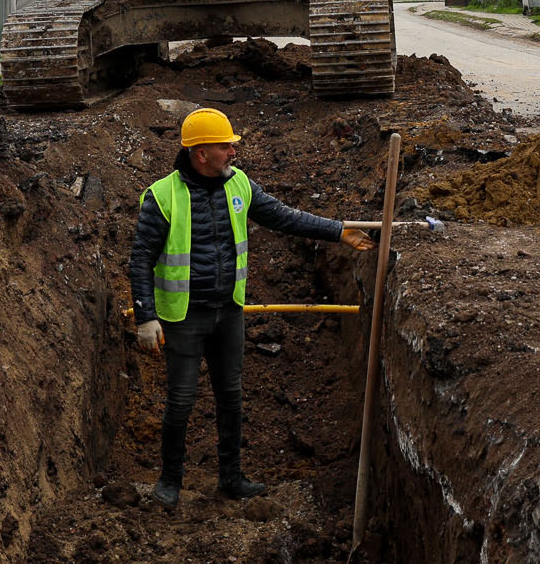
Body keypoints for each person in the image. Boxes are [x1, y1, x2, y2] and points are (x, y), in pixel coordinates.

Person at [129, 106, 373, 507]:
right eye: (225, 146)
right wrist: (145, 317)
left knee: (231, 396)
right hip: (184, 316)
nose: (233, 152)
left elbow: (283, 216)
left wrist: (338, 231)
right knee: (181, 400)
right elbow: (140, 259)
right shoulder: (162, 197)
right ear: (201, 153)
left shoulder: (239, 183)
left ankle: (231, 477)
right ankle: (170, 480)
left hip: (229, 311)